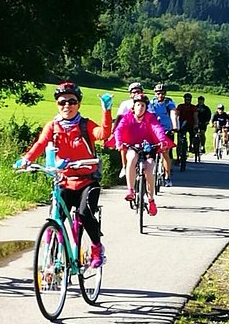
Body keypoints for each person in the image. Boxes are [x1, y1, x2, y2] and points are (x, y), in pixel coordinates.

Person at [16, 82, 112, 268]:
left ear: (79, 104)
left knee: (85, 214)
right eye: (62, 102)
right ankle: (52, 262)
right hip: (64, 180)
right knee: (55, 217)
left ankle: (96, 247)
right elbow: (40, 144)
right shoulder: (53, 126)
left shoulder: (85, 125)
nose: (67, 106)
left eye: (72, 101)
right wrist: (27, 159)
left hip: (87, 181)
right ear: (57, 104)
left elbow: (103, 133)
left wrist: (106, 111)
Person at [114, 94, 172, 217]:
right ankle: (130, 190)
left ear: (146, 107)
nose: (140, 107)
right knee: (131, 158)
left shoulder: (150, 118)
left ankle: (151, 199)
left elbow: (157, 129)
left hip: (148, 147)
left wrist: (162, 140)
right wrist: (119, 142)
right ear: (133, 107)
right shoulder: (127, 117)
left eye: (143, 105)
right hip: (132, 146)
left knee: (150, 166)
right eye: (138, 105)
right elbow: (119, 130)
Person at [112, 82, 144, 179]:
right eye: (134, 92)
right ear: (130, 94)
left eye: (138, 92)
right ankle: (124, 166)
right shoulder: (125, 104)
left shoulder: (146, 102)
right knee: (124, 145)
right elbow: (119, 117)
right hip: (128, 128)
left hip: (142, 128)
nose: (136, 94)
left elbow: (152, 117)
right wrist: (113, 131)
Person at [148, 83, 178, 187]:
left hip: (167, 130)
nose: (160, 95)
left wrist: (174, 126)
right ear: (155, 93)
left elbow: (173, 113)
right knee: (149, 152)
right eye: (158, 93)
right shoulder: (151, 103)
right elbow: (149, 115)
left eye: (162, 93)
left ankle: (167, 176)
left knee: (165, 153)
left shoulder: (168, 102)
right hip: (154, 130)